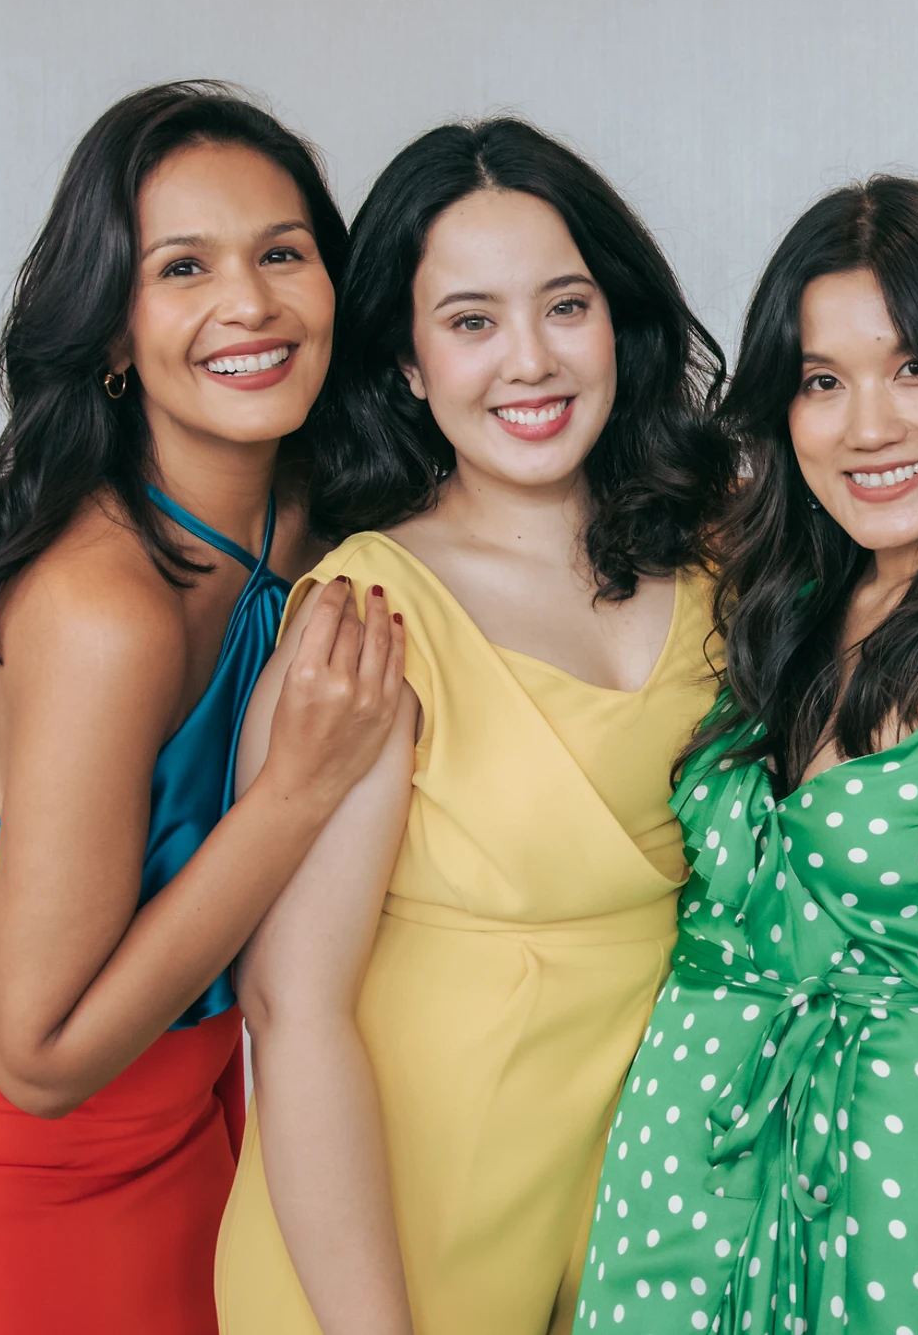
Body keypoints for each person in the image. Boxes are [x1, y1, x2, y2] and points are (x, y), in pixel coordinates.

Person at [575, 176, 918, 1335]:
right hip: (673, 1185)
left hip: (891, 1209)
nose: (868, 425)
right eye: (823, 381)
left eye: (916, 367)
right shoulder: (774, 598)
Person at [214, 117, 735, 1335]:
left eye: (565, 305)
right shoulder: (364, 613)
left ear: (619, 320)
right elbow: (292, 1012)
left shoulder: (720, 553)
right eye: (470, 321)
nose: (530, 360)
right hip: (396, 1234)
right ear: (405, 361)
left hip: (640, 1215)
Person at [0, 81, 403, 1335]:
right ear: (116, 336)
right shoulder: (99, 607)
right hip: (9, 1167)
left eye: (282, 253)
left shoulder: (313, 511)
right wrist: (295, 792)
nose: (249, 302)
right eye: (183, 267)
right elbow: (41, 1058)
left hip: (203, 1120)